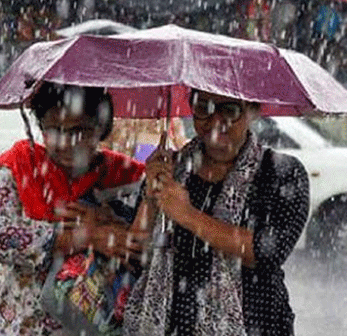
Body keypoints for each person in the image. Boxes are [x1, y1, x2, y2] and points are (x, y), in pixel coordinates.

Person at [124, 90, 310, 336]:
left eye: (230, 110)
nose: (215, 120)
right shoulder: (172, 168)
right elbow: (136, 250)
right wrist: (151, 196)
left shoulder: (281, 173)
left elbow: (266, 252)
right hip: (173, 325)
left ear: (253, 111)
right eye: (204, 108)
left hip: (255, 325)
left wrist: (187, 214)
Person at [0, 82, 147, 336]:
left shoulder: (124, 178)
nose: (65, 143)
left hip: (85, 325)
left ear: (101, 128)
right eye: (54, 130)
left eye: (78, 130)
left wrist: (112, 224)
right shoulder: (19, 165)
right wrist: (86, 237)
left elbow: (145, 245)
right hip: (15, 323)